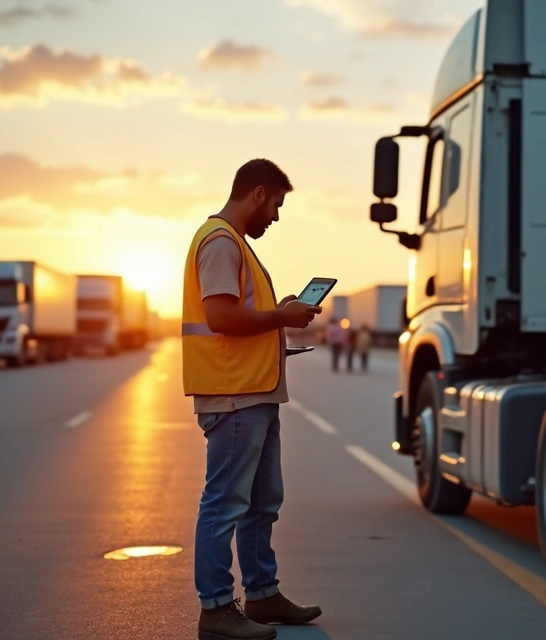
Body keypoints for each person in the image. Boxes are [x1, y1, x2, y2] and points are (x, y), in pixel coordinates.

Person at [181, 158, 323, 640]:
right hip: (234, 396)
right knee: (224, 503)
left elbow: (240, 314)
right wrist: (281, 319)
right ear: (258, 194)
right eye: (277, 205)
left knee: (262, 502)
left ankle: (262, 595)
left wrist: (277, 312)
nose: (276, 217)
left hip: (255, 392)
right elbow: (220, 317)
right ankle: (217, 609)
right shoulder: (221, 241)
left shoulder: (234, 244)